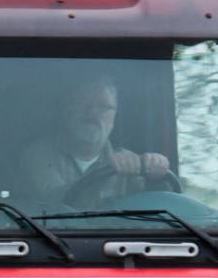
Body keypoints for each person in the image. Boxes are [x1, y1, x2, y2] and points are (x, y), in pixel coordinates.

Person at [17, 80, 173, 205]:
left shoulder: (130, 161)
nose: (92, 113)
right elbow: (56, 204)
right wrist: (104, 174)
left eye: (104, 107)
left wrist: (156, 174)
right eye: (82, 103)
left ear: (114, 117)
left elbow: (155, 211)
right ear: (66, 111)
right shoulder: (38, 155)